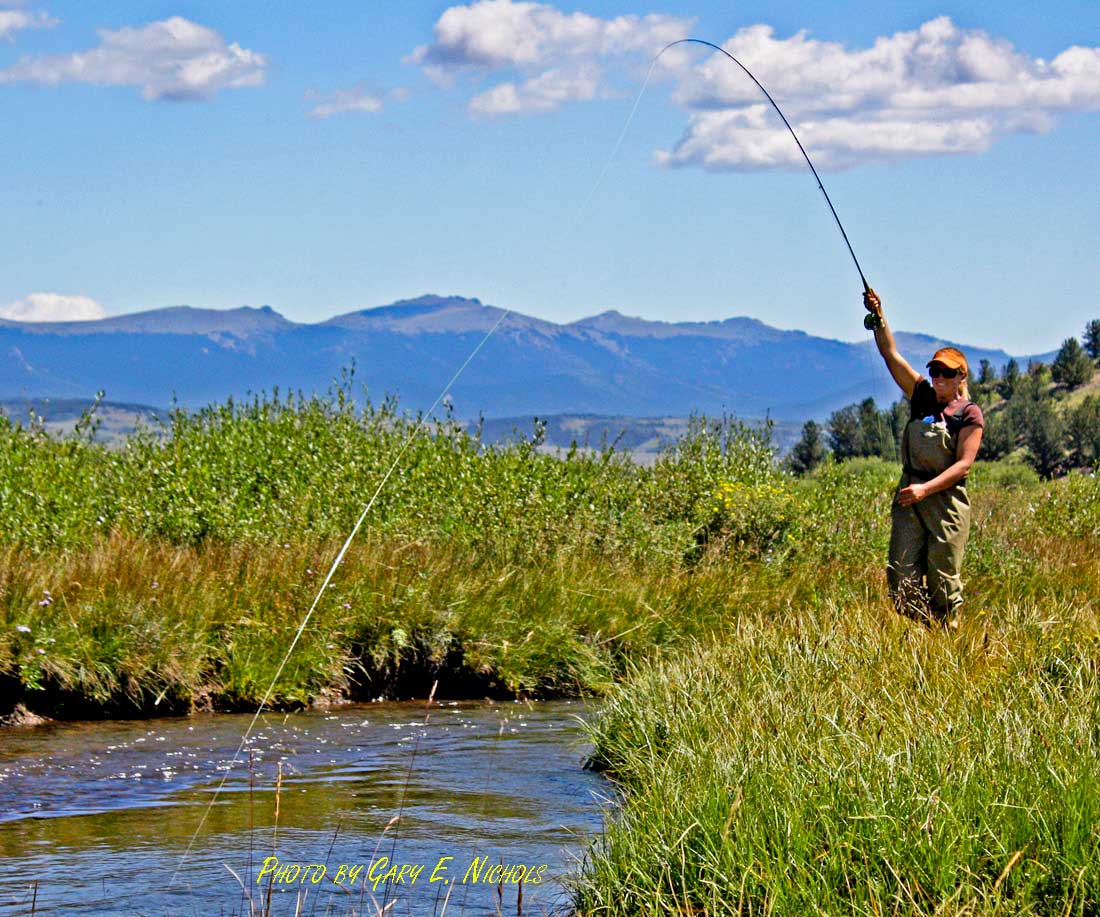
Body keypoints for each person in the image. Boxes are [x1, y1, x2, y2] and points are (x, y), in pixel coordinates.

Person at [863, 288, 984, 629]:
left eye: (947, 373)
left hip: (946, 503)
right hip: (910, 497)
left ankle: (947, 640)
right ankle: (932, 628)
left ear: (962, 376)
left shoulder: (969, 414)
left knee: (944, 580)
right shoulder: (921, 395)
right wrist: (879, 315)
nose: (939, 379)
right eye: (935, 372)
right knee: (901, 584)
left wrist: (925, 490)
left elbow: (963, 465)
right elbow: (890, 354)